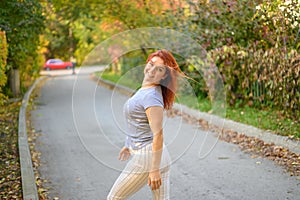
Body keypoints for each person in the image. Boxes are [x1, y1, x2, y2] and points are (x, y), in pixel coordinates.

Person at [107, 49, 181, 200]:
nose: (152, 70)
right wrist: (128, 144)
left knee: (114, 198)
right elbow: (137, 121)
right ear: (147, 63)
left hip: (148, 158)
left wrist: (154, 169)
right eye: (151, 64)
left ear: (164, 75)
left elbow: (158, 134)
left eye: (159, 69)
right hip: (159, 156)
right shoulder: (146, 90)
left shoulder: (151, 97)